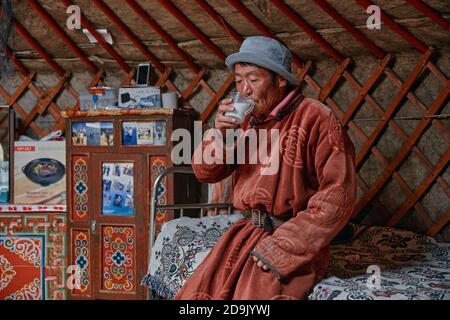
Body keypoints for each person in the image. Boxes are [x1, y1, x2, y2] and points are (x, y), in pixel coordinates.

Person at [174, 36, 356, 300]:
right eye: (238, 80)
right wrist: (221, 136)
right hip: (246, 232)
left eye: (253, 79)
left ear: (280, 79)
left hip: (289, 239)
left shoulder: (316, 117)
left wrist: (283, 248)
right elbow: (205, 173)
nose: (244, 89)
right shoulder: (246, 123)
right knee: (196, 298)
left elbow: (337, 197)